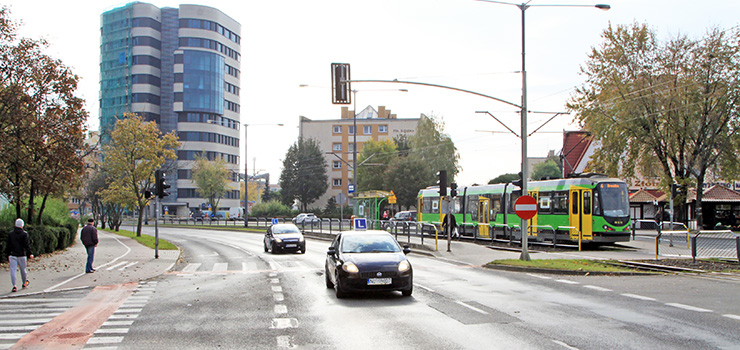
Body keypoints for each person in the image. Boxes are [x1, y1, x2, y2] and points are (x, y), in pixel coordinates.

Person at [6, 218, 33, 292]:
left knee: (13, 270)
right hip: (22, 255)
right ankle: (24, 283)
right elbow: (26, 245)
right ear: (22, 225)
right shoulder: (24, 234)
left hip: (12, 255)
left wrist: (7, 254)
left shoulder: (11, 234)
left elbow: (8, 245)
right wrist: (30, 253)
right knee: (23, 270)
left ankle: (14, 285)